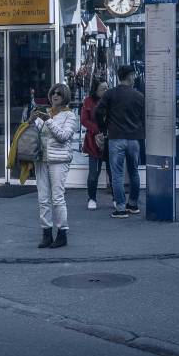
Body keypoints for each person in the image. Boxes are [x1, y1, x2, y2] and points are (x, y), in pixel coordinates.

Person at [31, 83, 79, 249]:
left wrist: (48, 121)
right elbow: (35, 134)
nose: (55, 96)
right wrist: (31, 121)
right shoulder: (46, 113)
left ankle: (62, 233)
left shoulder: (70, 116)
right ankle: (46, 233)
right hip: (41, 159)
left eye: (59, 93)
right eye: (53, 93)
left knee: (57, 198)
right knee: (43, 198)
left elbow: (63, 136)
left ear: (64, 96)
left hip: (58, 160)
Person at [96, 65, 145, 219]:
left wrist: (103, 128)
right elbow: (144, 117)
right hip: (134, 138)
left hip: (116, 137)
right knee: (133, 171)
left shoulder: (111, 94)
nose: (135, 77)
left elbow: (98, 112)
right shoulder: (139, 96)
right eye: (134, 75)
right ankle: (133, 204)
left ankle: (121, 208)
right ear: (130, 76)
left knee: (117, 175)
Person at [79, 79, 111, 210]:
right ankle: (91, 198)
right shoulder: (88, 101)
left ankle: (116, 198)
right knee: (93, 173)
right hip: (93, 140)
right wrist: (98, 130)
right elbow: (84, 120)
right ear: (96, 90)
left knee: (112, 172)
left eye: (107, 88)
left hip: (110, 139)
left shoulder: (111, 100)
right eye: (103, 88)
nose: (106, 91)